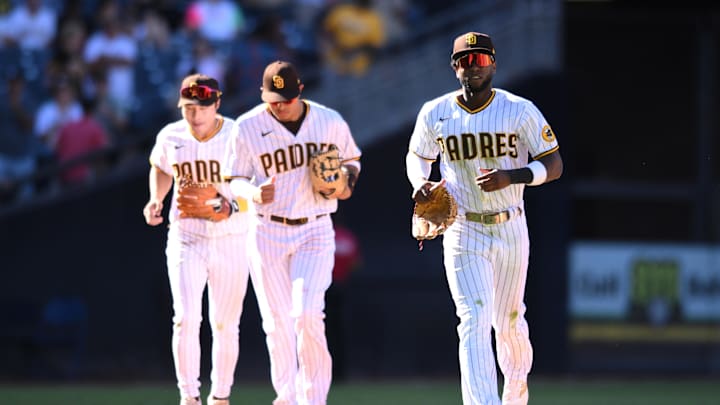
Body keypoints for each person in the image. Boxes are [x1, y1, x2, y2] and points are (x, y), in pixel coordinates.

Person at [404, 32, 563, 405]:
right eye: (464, 60)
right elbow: (417, 156)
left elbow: (554, 163)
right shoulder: (435, 111)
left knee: (508, 322)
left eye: (479, 59)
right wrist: (420, 183)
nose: (471, 67)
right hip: (462, 226)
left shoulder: (518, 109)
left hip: (510, 223)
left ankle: (516, 390)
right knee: (473, 320)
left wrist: (515, 176)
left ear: (493, 63)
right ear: (454, 66)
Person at [223, 60, 362, 405]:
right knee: (276, 323)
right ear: (263, 94)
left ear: (300, 90)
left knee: (307, 313)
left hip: (315, 228)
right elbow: (232, 180)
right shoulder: (247, 126)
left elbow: (352, 160)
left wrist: (345, 183)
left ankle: (313, 399)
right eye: (273, 98)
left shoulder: (328, 120)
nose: (280, 105)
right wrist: (252, 193)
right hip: (266, 231)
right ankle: (287, 397)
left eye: (285, 98)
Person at [142, 73, 251, 405]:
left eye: (202, 106)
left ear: (217, 103)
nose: (195, 113)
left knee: (225, 322)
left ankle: (220, 396)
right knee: (186, 316)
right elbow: (161, 167)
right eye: (189, 106)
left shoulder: (237, 135)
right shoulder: (171, 135)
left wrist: (232, 204)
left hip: (232, 235)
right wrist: (155, 198)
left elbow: (262, 187)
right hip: (186, 235)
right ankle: (188, 397)